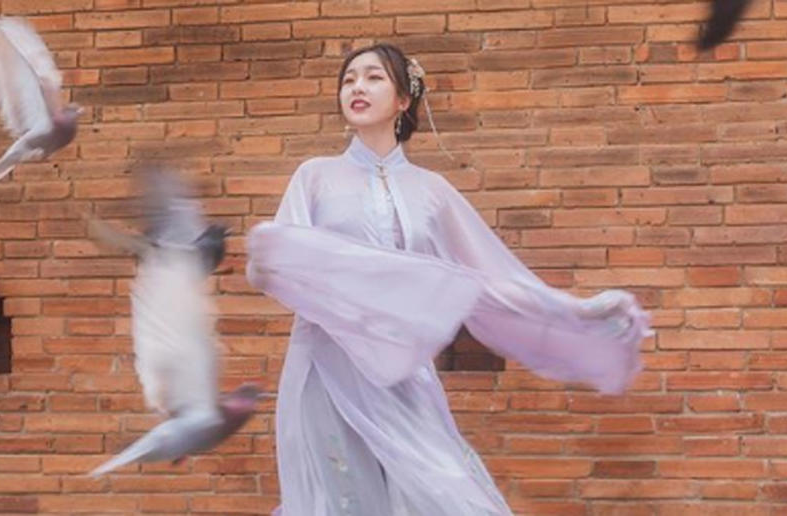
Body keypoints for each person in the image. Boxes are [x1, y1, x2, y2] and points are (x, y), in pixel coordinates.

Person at [246, 43, 652, 516]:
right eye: (348, 78)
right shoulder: (314, 177)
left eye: (374, 77)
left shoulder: (432, 192)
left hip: (404, 373)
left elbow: (491, 277)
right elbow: (278, 268)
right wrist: (269, 252)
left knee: (449, 492)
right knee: (338, 501)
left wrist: (578, 311)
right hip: (326, 366)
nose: (357, 86)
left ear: (403, 100)